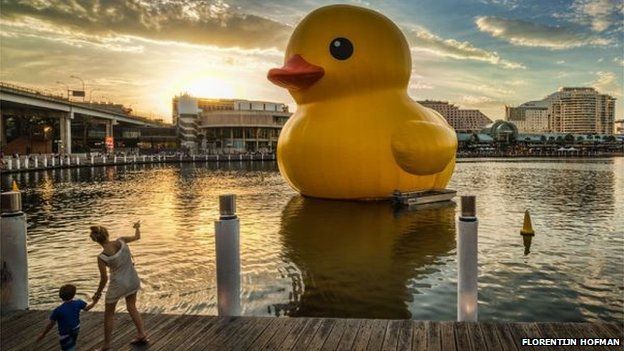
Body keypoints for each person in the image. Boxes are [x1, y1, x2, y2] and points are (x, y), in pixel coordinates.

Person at [89, 222, 147, 350]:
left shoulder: (102, 257)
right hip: (132, 279)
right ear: (107, 234)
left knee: (109, 314)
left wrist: (97, 294)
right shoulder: (121, 241)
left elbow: (104, 279)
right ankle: (141, 334)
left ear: (95, 240)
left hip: (117, 285)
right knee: (131, 306)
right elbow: (137, 237)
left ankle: (106, 345)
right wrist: (137, 227)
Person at [36, 284, 95, 351]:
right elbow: (87, 308)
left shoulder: (58, 310)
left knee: (67, 347)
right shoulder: (79, 302)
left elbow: (51, 324)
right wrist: (95, 302)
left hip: (64, 332)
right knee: (72, 343)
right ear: (74, 294)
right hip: (76, 327)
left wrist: (43, 334)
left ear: (61, 296)